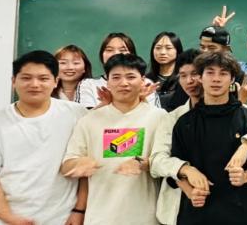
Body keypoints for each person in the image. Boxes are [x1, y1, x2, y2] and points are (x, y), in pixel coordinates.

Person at [0, 50, 88, 225]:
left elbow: (86, 171)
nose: (35, 84)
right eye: (26, 78)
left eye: (43, 78)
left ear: (55, 81)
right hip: (6, 221)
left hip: (64, 219)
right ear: (13, 81)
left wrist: (79, 210)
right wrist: (10, 218)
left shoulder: (77, 114)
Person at [150, 49, 247, 225]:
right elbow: (174, 168)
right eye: (210, 73)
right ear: (201, 77)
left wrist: (246, 175)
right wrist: (190, 190)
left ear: (232, 79)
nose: (216, 79)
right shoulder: (183, 122)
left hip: (241, 211)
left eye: (223, 73)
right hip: (197, 213)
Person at [61, 53, 168, 225]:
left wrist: (142, 163)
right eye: (116, 77)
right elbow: (67, 164)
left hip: (146, 217)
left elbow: (166, 161)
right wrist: (79, 164)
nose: (123, 83)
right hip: (100, 217)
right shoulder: (89, 120)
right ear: (107, 82)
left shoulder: (159, 117)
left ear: (142, 81)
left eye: (131, 77)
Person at [79, 32, 160, 108]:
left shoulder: (146, 84)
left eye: (123, 50)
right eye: (109, 50)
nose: (116, 54)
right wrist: (105, 103)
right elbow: (87, 116)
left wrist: (141, 99)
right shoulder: (89, 84)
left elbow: (156, 116)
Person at [147, 32, 183, 106]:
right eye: (158, 48)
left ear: (177, 50)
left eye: (168, 48)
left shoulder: (184, 77)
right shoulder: (147, 79)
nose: (162, 52)